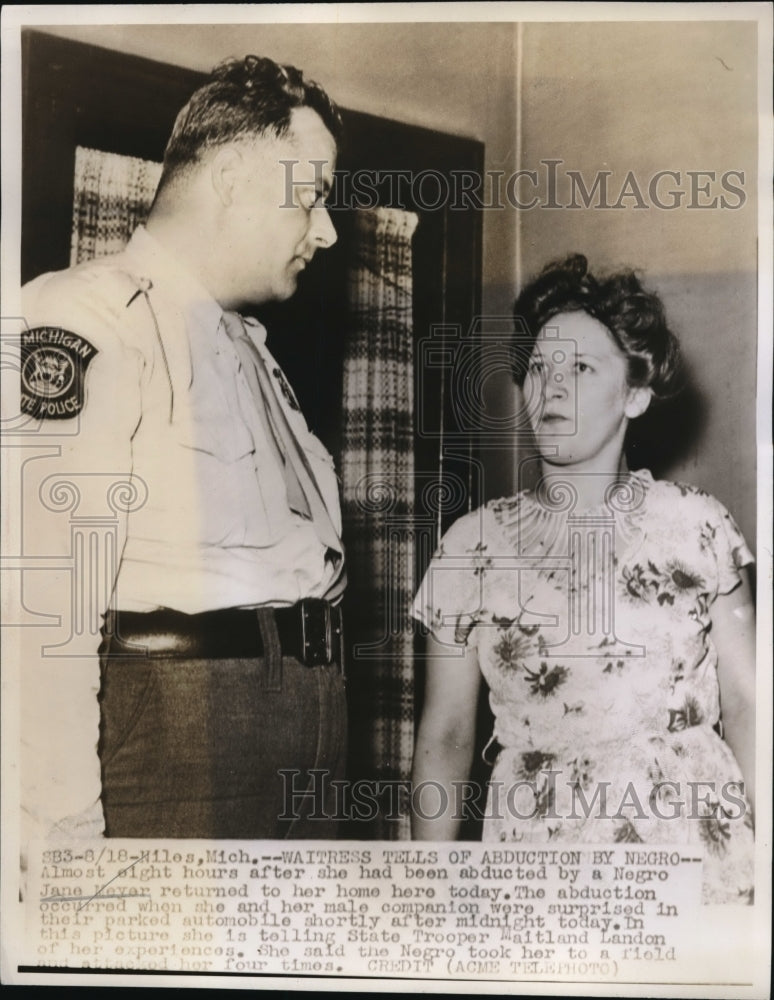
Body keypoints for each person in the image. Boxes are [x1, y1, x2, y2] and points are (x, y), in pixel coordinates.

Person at [20, 55, 347, 845]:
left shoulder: (258, 353)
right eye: (311, 197)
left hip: (311, 729)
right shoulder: (84, 318)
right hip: (183, 733)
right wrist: (58, 833)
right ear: (232, 177)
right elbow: (39, 608)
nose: (328, 231)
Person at [411, 255, 755, 904]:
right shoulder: (470, 546)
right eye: (539, 367)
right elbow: (447, 733)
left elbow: (749, 706)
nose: (551, 387)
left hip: (695, 854)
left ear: (635, 393)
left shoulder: (699, 527)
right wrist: (428, 892)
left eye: (581, 368)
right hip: (538, 861)